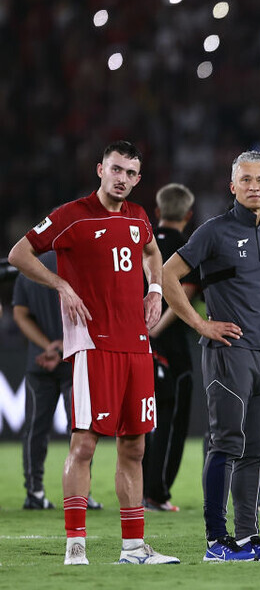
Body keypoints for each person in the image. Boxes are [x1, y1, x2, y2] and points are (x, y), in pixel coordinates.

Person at [8, 140, 179, 565]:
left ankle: (134, 548)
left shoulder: (139, 217)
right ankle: (75, 546)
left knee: (135, 447)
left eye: (130, 173)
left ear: (138, 179)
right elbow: (19, 253)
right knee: (84, 444)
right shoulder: (71, 217)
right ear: (99, 169)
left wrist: (154, 288)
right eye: (116, 170)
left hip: (137, 346)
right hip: (93, 347)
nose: (122, 179)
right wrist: (61, 285)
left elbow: (153, 251)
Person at [161, 150, 260, 562]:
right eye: (247, 180)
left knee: (255, 449)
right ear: (232, 185)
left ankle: (249, 538)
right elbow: (167, 275)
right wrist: (202, 325)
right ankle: (216, 542)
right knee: (225, 444)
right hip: (227, 354)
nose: (255, 187)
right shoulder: (213, 231)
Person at [12, 251, 102, 512]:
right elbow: (93, 311)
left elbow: (20, 314)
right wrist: (62, 347)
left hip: (39, 360)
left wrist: (47, 346)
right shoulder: (82, 264)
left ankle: (34, 492)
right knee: (81, 428)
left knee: (35, 429)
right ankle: (82, 493)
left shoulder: (29, 269)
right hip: (75, 359)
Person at [142, 183, 199, 513]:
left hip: (137, 346)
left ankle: (140, 490)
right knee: (171, 420)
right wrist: (156, 329)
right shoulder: (187, 247)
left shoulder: (143, 245)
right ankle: (157, 493)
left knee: (141, 421)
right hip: (172, 351)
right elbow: (186, 292)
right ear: (188, 215)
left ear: (159, 212)